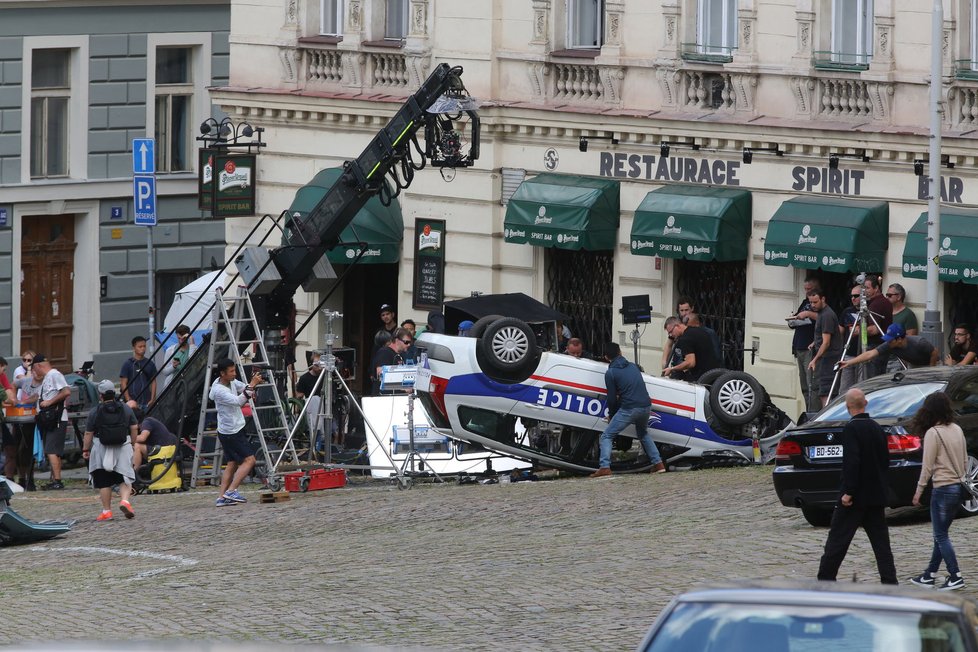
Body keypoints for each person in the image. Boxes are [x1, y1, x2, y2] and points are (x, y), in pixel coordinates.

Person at [816, 388, 898, 585]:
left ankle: (825, 579)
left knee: (837, 540)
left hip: (855, 498)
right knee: (881, 544)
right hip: (875, 496)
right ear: (866, 404)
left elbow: (852, 462)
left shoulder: (852, 429)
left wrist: (848, 492)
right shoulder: (878, 428)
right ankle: (890, 581)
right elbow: (885, 461)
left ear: (847, 407)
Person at [909, 392, 967, 590]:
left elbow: (927, 466)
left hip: (942, 489)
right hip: (958, 488)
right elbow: (965, 460)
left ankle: (955, 574)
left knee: (941, 536)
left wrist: (919, 491)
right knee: (940, 535)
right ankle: (929, 574)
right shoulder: (957, 429)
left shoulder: (933, 433)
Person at [590, 342, 665, 478]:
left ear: (606, 357)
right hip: (646, 406)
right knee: (643, 434)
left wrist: (612, 415)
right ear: (620, 352)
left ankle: (604, 467)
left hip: (630, 408)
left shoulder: (611, 373)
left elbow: (611, 399)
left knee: (607, 435)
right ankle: (658, 464)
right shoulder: (633, 367)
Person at [81, 380, 138, 521]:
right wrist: (133, 443)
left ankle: (107, 511)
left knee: (104, 481)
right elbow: (134, 427)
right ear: (114, 393)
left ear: (100, 396)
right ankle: (125, 501)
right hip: (122, 446)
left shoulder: (95, 411)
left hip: (101, 448)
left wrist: (85, 449)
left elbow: (88, 433)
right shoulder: (125, 408)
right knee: (124, 476)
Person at [209, 358, 262, 507]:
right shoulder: (219, 390)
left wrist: (252, 384)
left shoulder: (230, 381)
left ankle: (221, 497)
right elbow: (239, 401)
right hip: (232, 431)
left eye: (234, 370)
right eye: (231, 371)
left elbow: (242, 387)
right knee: (250, 460)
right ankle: (232, 491)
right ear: (222, 373)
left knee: (232, 463)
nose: (234, 374)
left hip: (228, 429)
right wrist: (252, 385)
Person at [22, 355, 70, 491]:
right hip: (48, 419)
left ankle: (58, 481)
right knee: (51, 450)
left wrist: (50, 402)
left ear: (38, 366)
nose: (35, 373)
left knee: (51, 450)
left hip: (56, 418)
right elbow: (38, 395)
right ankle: (55, 479)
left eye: (35, 369)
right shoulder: (47, 378)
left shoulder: (55, 374)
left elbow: (66, 391)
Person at [839, 323, 939, 372]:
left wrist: (931, 369)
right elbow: (870, 353)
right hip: (914, 365)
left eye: (890, 339)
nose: (888, 342)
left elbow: (934, 352)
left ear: (899, 339)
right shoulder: (890, 345)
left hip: (932, 363)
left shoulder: (919, 342)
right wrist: (848, 363)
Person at [786, 277, 820, 412]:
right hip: (799, 346)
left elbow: (823, 317)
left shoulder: (818, 304)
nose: (806, 292)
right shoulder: (805, 302)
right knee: (804, 386)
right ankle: (808, 413)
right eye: (805, 289)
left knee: (812, 385)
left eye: (809, 289)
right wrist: (792, 319)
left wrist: (808, 314)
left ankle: (813, 415)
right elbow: (798, 317)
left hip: (810, 347)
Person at [807, 288, 844, 407]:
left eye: (815, 302)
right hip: (827, 357)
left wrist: (815, 359)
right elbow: (824, 336)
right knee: (823, 390)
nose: (813, 305)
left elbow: (826, 342)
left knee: (826, 392)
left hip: (829, 358)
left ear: (823, 299)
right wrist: (815, 342)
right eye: (811, 302)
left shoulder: (827, 315)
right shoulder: (822, 314)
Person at [661, 316, 722, 382]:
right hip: (713, 374)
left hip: (701, 378)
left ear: (677, 326)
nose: (671, 335)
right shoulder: (698, 331)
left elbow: (690, 363)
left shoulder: (685, 339)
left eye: (670, 332)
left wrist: (672, 369)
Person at [860, 275, 894, 378]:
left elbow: (874, 329)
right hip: (884, 345)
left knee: (872, 379)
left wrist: (859, 330)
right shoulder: (886, 302)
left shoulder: (876, 304)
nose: (865, 291)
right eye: (864, 287)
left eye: (867, 287)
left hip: (875, 346)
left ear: (876, 288)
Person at [886, 284, 918, 372]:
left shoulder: (908, 314)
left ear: (899, 297)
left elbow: (911, 337)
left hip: (897, 359)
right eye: (886, 295)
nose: (887, 298)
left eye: (889, 295)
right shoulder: (885, 312)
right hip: (884, 356)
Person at [119, 336, 158, 410]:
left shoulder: (150, 363)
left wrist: (152, 399)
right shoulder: (127, 364)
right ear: (134, 348)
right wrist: (128, 399)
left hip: (147, 402)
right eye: (140, 346)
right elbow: (123, 383)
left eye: (144, 346)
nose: (143, 348)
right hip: (133, 403)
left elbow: (153, 381)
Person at [371, 327, 412, 396]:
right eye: (406, 342)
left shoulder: (400, 356)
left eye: (410, 342)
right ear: (397, 340)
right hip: (383, 398)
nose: (408, 345)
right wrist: (402, 387)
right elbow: (381, 375)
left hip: (394, 397)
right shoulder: (384, 352)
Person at [838, 284, 863, 394]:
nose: (853, 298)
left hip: (863, 354)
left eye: (856, 296)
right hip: (849, 353)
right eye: (851, 296)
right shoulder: (847, 311)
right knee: (844, 389)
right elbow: (840, 332)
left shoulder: (869, 311)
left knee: (861, 388)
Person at [160, 324, 195, 389]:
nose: (181, 340)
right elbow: (165, 372)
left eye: (184, 338)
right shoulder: (170, 350)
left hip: (189, 384)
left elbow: (192, 362)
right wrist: (173, 366)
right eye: (179, 338)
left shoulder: (193, 348)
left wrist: (191, 340)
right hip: (173, 385)